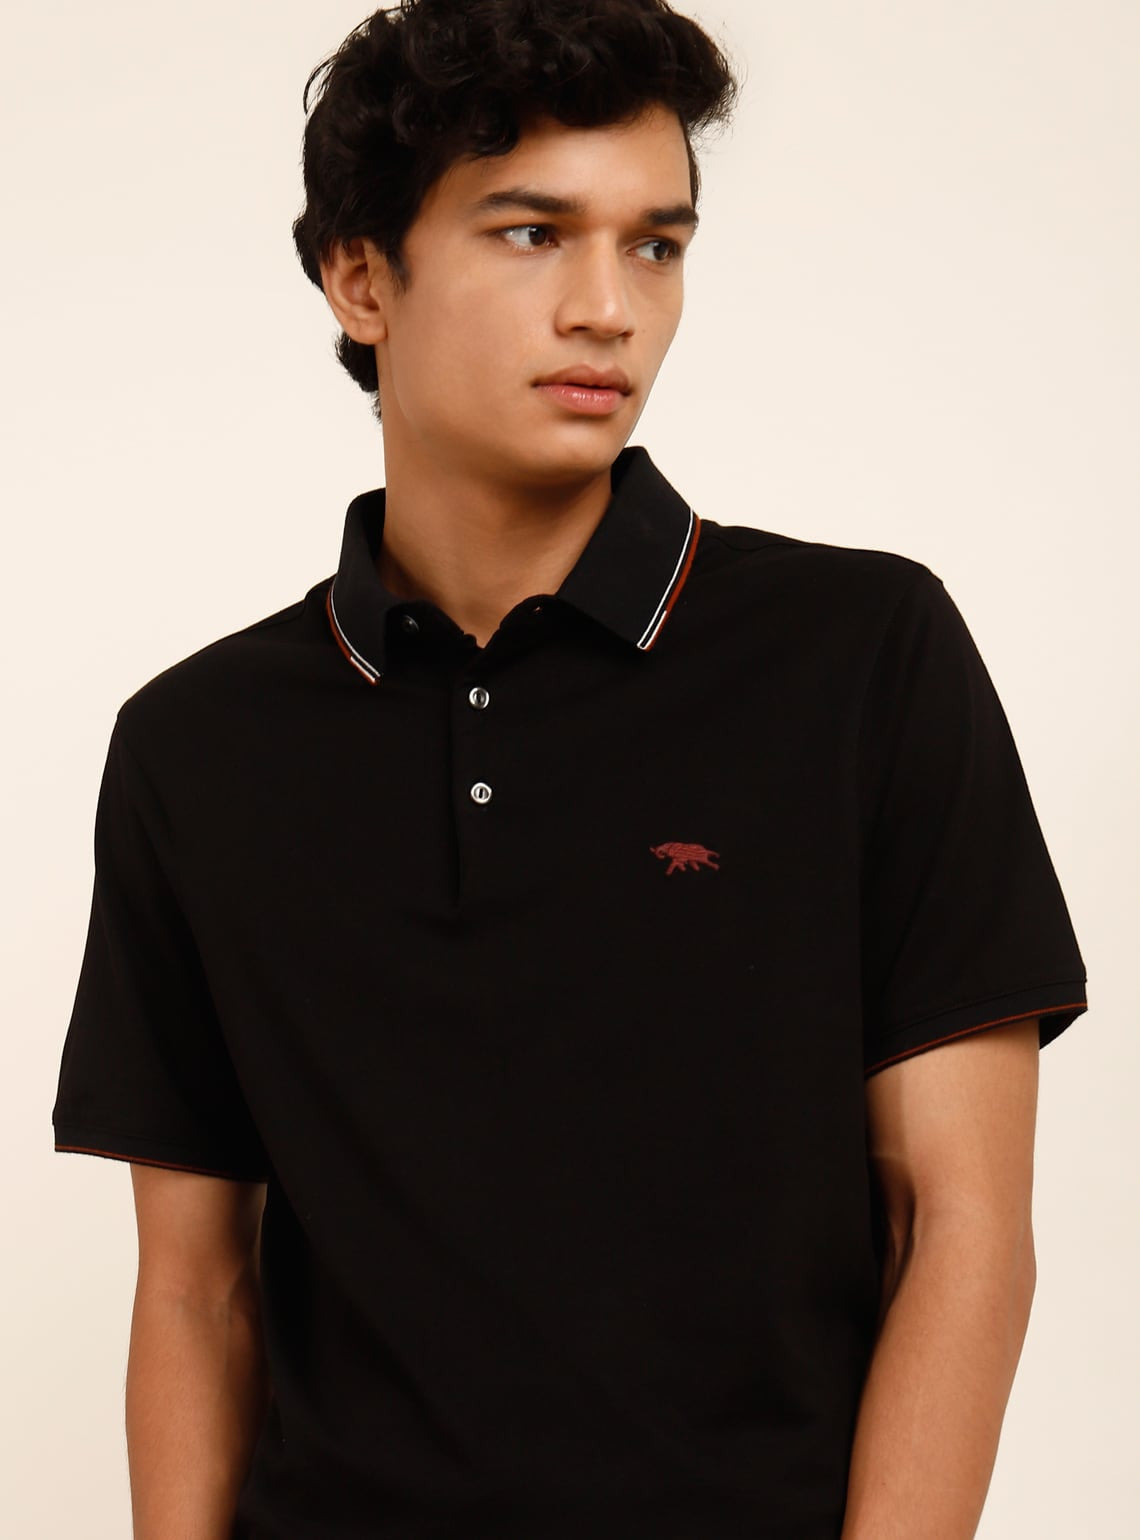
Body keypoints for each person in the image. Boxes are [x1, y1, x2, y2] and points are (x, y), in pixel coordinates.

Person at [51, 1, 1089, 1536]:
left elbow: (961, 1227)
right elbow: (198, 1293)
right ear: (361, 279)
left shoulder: (864, 654)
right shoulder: (197, 746)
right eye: (533, 235)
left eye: (655, 245)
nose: (609, 309)